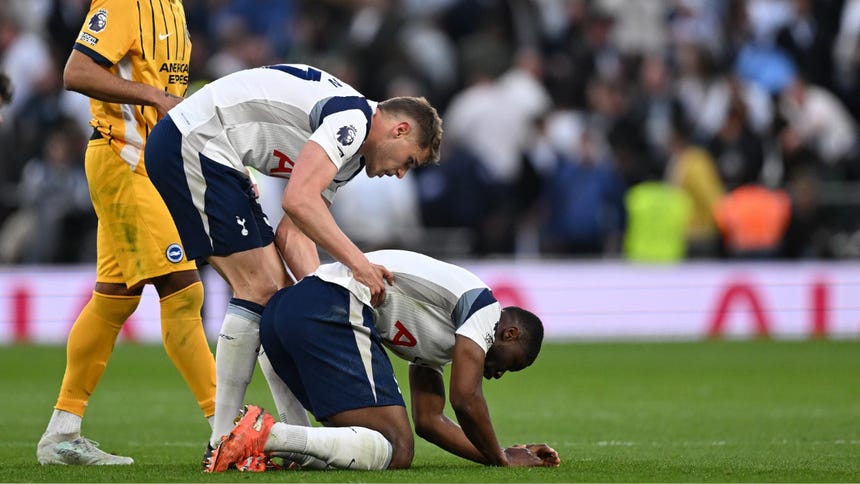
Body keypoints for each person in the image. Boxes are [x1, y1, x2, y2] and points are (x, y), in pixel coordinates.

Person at [143, 63, 443, 462]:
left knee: (281, 297)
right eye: (409, 161)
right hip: (196, 143)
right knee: (259, 289)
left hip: (217, 153)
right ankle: (221, 441)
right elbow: (298, 199)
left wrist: (321, 297)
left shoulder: (351, 157)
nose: (401, 173)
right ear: (400, 130)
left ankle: (290, 438)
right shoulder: (353, 120)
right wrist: (359, 266)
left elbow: (294, 231)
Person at [36, 0, 217, 466]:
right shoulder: (121, 3)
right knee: (182, 290)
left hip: (151, 165)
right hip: (123, 158)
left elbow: (169, 92)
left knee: (114, 297)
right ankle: (229, 426)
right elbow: (76, 71)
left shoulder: (174, 9)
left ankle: (61, 433)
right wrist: (152, 97)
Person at [206, 249, 560, 472]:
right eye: (510, 365)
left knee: (358, 444)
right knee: (396, 446)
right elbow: (465, 398)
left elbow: (430, 420)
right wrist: (502, 460)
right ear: (509, 334)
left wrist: (497, 452)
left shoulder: (444, 340)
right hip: (328, 305)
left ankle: (257, 444)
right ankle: (266, 434)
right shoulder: (485, 308)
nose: (497, 374)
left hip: (286, 315)